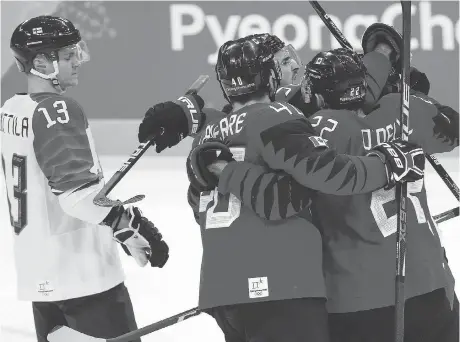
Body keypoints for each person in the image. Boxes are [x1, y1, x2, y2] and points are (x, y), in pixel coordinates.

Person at [203, 46, 458, 342]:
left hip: (356, 298)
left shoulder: (314, 130)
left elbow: (266, 123)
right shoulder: (405, 110)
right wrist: (406, 93)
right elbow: (452, 129)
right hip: (432, 283)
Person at [0, 16, 169, 342]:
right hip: (84, 283)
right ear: (41, 62)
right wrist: (128, 223)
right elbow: (77, 197)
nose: (77, 60)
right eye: (67, 55)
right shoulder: (57, 110)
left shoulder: (12, 109)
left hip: (42, 279)